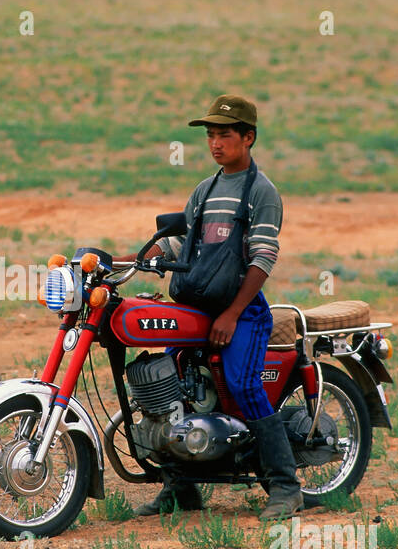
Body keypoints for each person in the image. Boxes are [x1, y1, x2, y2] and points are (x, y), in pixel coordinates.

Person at [114, 94, 303, 521]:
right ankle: (180, 488)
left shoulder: (261, 192)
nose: (216, 143)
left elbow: (262, 259)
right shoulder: (204, 190)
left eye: (225, 134)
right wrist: (127, 259)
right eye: (211, 135)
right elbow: (179, 244)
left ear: (248, 137)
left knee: (244, 385)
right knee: (168, 387)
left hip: (245, 312)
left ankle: (285, 487)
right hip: (198, 310)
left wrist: (232, 314)